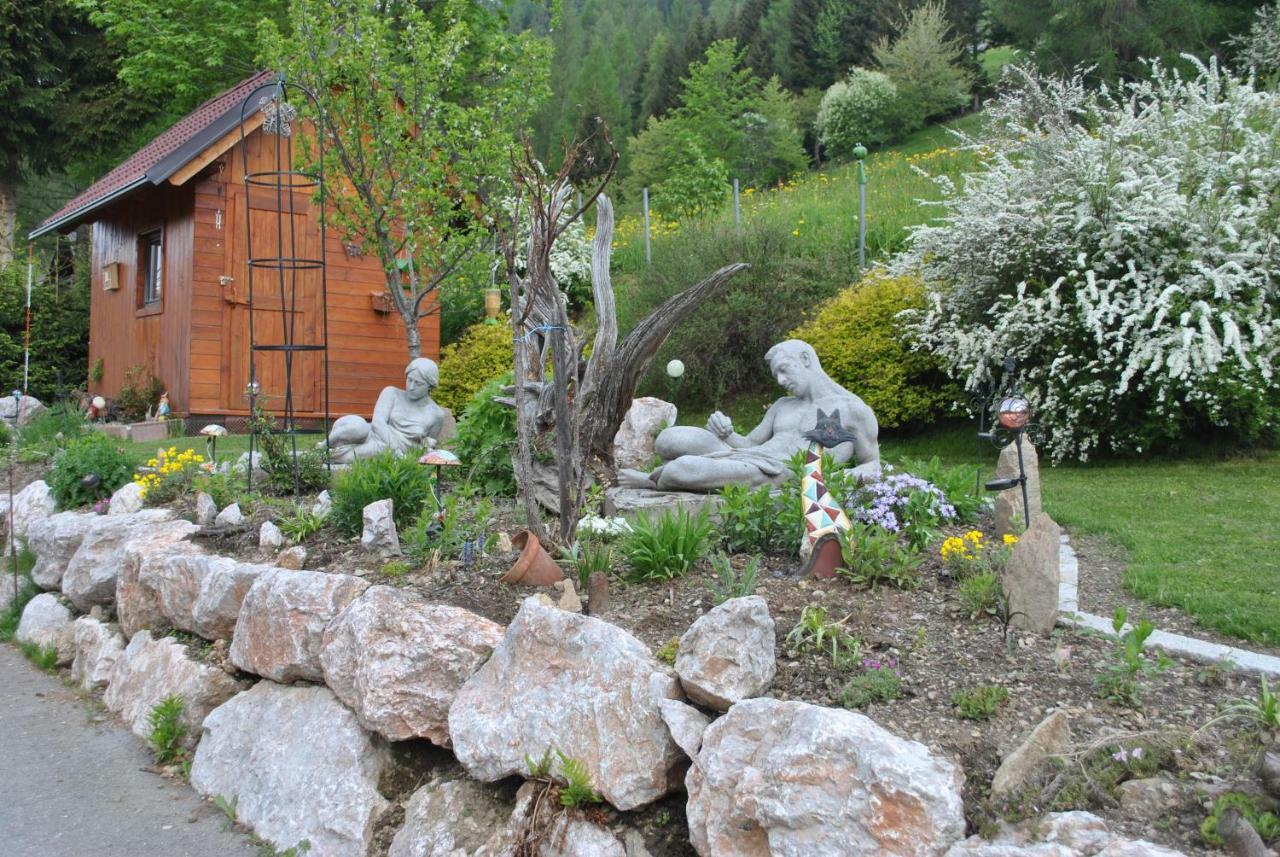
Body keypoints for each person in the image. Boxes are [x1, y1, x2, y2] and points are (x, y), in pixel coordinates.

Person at [617, 340, 880, 492]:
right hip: (747, 456)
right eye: (776, 374)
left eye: (784, 370)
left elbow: (873, 465)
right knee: (668, 438)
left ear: (806, 359)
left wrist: (826, 480)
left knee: (681, 468)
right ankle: (679, 473)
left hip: (775, 472)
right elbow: (750, 444)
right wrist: (727, 433)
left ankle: (655, 483)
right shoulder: (783, 405)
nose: (780, 380)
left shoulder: (853, 410)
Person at [327, 358, 445, 463]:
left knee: (378, 450)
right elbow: (378, 423)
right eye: (409, 380)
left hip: (389, 451)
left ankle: (325, 456)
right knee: (358, 428)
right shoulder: (391, 393)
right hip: (374, 436)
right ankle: (324, 445)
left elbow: (427, 446)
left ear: (430, 386)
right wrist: (395, 448)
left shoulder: (436, 415)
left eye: (418, 383)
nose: (411, 386)